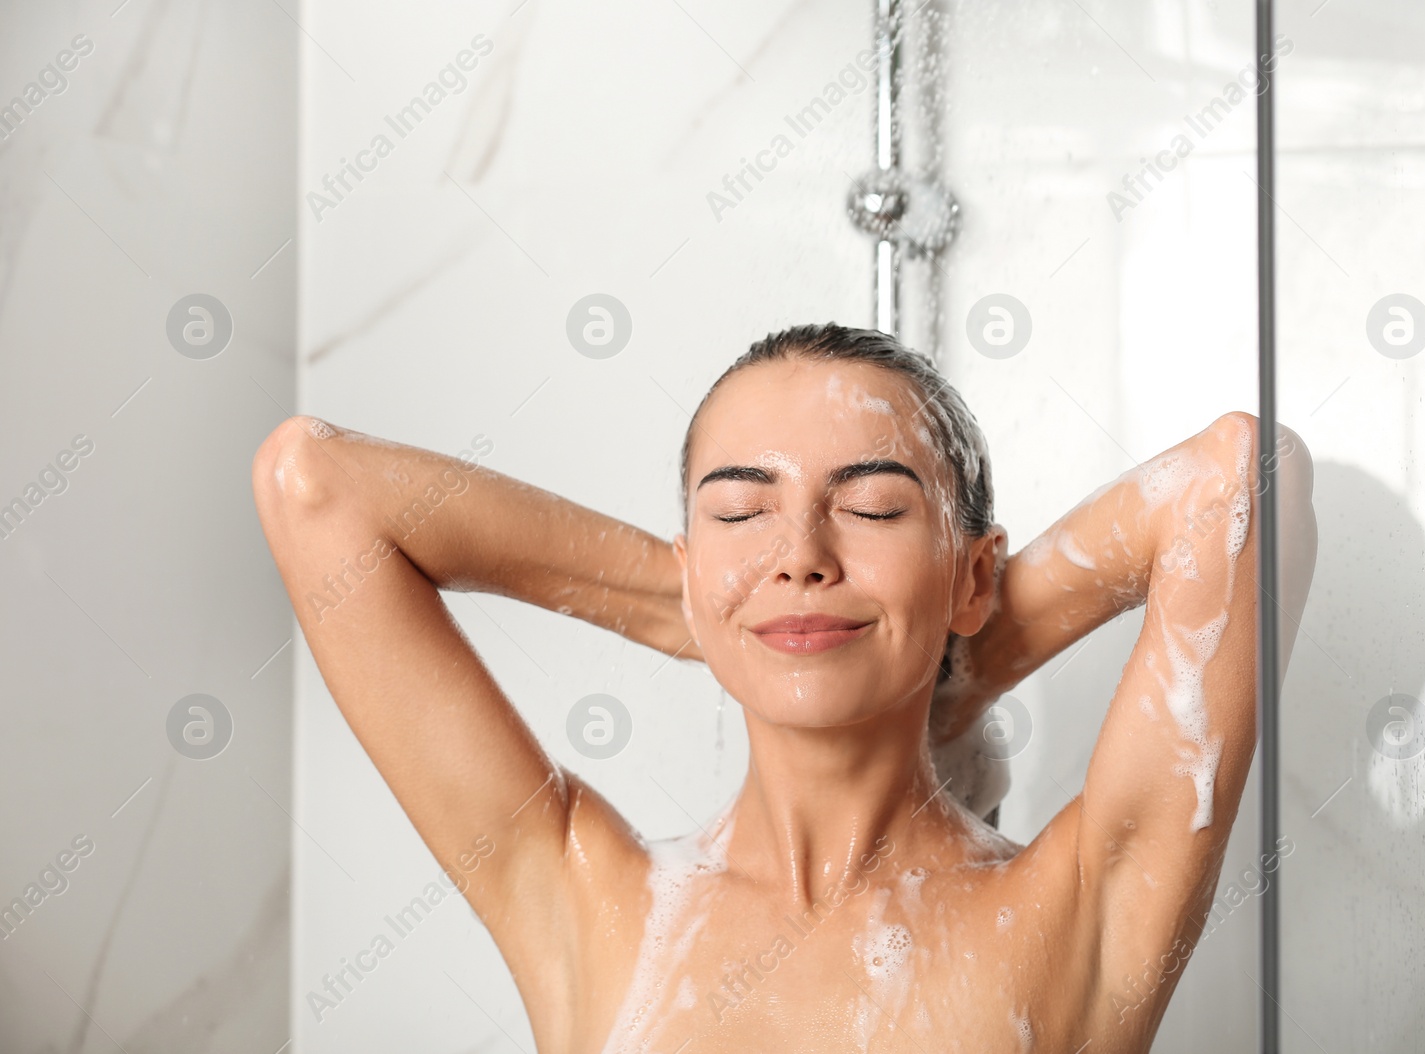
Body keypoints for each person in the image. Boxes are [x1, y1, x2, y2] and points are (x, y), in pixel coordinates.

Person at [252, 322, 1316, 1053]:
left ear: (973, 571)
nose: (799, 553)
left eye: (874, 506)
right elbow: (315, 485)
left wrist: (954, 652)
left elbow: (1240, 479)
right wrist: (710, 610)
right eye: (740, 511)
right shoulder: (587, 898)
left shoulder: (1073, 908)